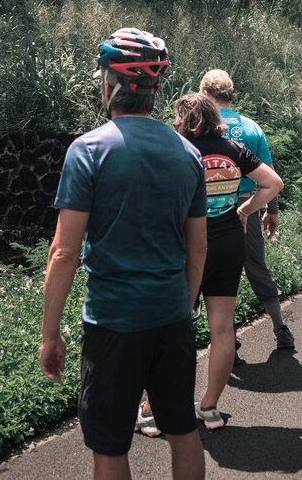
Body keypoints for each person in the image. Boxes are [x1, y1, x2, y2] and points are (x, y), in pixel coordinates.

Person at [40, 28, 207, 480]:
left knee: (111, 445)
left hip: (113, 322)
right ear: (155, 88)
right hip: (172, 318)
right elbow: (198, 248)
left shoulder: (89, 150)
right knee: (182, 429)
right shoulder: (187, 153)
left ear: (109, 83)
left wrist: (50, 333)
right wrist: (184, 306)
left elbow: (64, 252)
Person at [173, 92, 283, 430]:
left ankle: (153, 407)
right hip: (228, 242)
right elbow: (273, 183)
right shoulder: (233, 150)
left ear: (184, 120)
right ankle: (210, 407)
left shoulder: (179, 152)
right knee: (222, 329)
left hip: (189, 247)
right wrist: (245, 209)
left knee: (175, 331)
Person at [199, 69, 295, 352]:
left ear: (205, 94)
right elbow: (269, 175)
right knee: (256, 266)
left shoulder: (200, 128)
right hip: (246, 206)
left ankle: (228, 341)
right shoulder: (251, 127)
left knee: (210, 272)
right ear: (230, 94)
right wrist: (271, 210)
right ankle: (280, 328)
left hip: (206, 209)